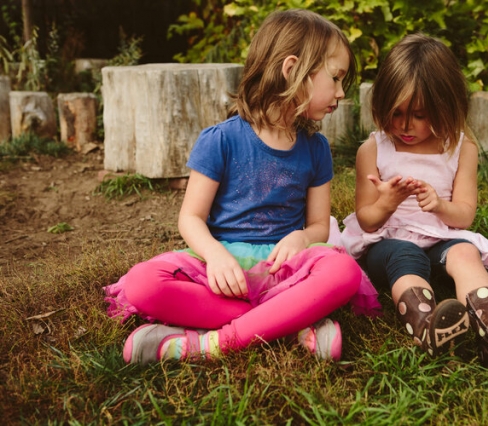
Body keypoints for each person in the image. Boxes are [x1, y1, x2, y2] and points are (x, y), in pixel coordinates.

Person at [103, 9, 378, 365]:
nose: (341, 93)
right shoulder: (220, 140)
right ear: (292, 69)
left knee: (343, 272)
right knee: (143, 284)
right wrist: (216, 256)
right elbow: (190, 218)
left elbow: (318, 226)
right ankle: (290, 321)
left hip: (285, 270)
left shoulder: (315, 148)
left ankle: (209, 344)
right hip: (221, 270)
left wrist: (302, 239)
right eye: (336, 78)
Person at [340, 33, 488, 368]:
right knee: (406, 256)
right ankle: (427, 328)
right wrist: (387, 203)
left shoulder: (461, 148)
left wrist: (438, 205)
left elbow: (463, 217)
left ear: (445, 106)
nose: (406, 125)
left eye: (420, 115)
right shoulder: (374, 149)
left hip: (440, 236)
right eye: (397, 112)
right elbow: (366, 219)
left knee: (465, 251)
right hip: (388, 242)